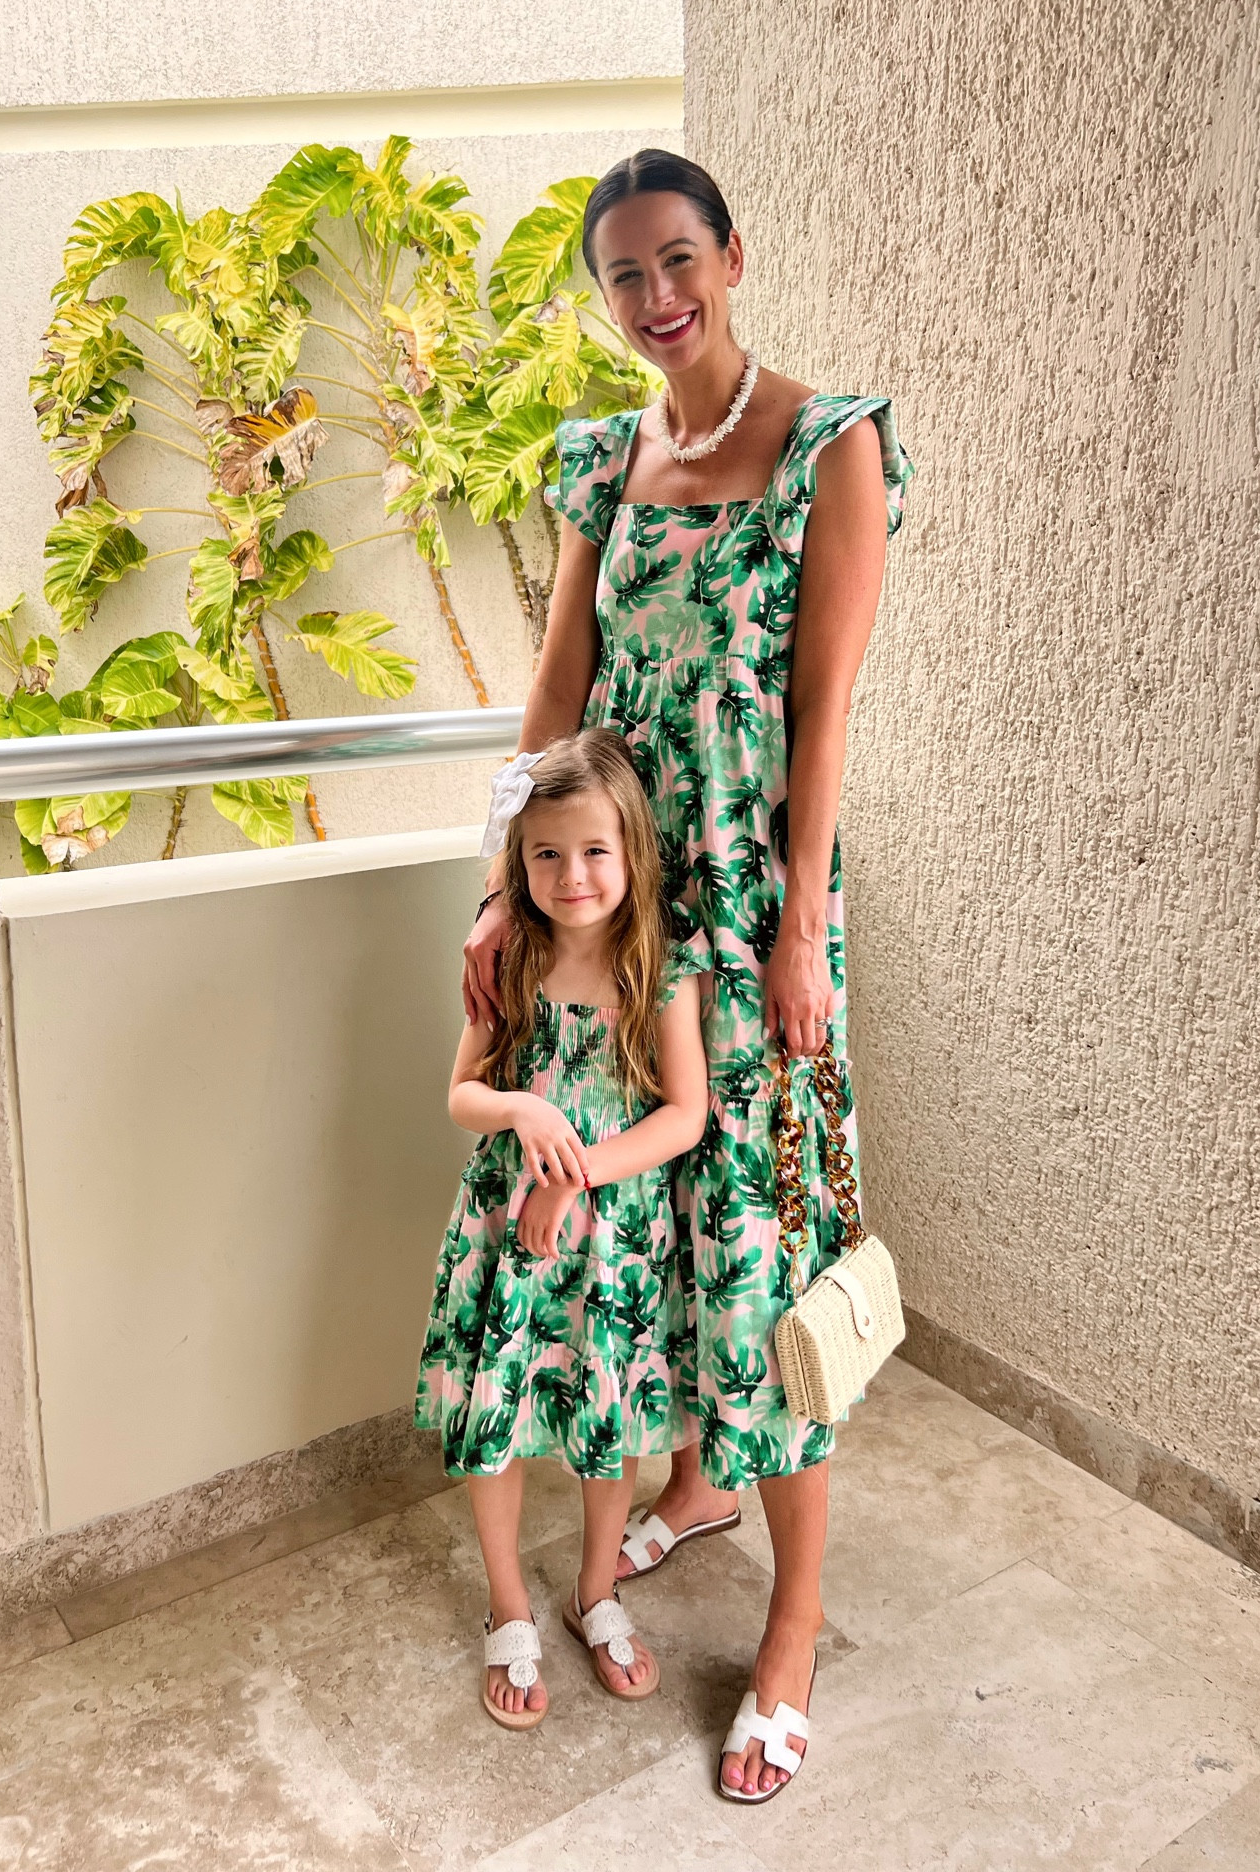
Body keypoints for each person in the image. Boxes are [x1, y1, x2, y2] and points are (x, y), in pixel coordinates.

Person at [464, 149, 910, 1800]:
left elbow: (822, 712)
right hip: (607, 907)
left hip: (751, 907)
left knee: (767, 1248)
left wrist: (799, 932)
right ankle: (700, 1479)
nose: (656, 301)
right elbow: (559, 681)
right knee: (652, 1213)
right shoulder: (604, 456)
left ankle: (790, 1624)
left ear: (733, 253)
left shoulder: (830, 443)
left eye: (678, 262)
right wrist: (503, 891)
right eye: (624, 279)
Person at [417, 728, 709, 1730]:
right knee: (495, 1414)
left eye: (594, 850)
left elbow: (685, 1114)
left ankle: (596, 1591)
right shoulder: (515, 959)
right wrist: (525, 1114)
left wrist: (575, 1174)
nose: (572, 874)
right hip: (509, 1232)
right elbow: (461, 1092)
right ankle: (507, 1604)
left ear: (630, 851)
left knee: (606, 1423)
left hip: (611, 1239)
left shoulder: (658, 971)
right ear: (519, 862)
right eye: (547, 853)